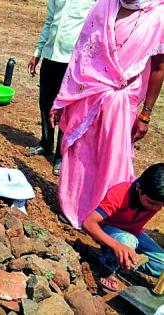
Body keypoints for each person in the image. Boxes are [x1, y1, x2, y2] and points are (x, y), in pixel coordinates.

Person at [50, 0, 164, 227]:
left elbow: (160, 68)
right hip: (87, 93)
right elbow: (82, 54)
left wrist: (146, 114)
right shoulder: (104, 5)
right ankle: (73, 206)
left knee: (111, 157)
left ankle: (105, 212)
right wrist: (65, 98)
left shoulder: (158, 15)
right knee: (80, 151)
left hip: (122, 97)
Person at [27, 0, 96, 176]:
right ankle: (45, 143)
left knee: (65, 110)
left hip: (72, 60)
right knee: (45, 103)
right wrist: (37, 52)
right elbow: (49, 21)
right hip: (50, 55)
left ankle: (61, 156)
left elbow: (95, 27)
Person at [82, 163, 163, 291]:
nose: (155, 208)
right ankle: (107, 268)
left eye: (160, 205)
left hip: (133, 234)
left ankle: (125, 261)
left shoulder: (156, 197)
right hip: (107, 230)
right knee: (128, 241)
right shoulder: (120, 193)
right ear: (138, 187)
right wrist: (116, 245)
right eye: (151, 203)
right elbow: (88, 223)